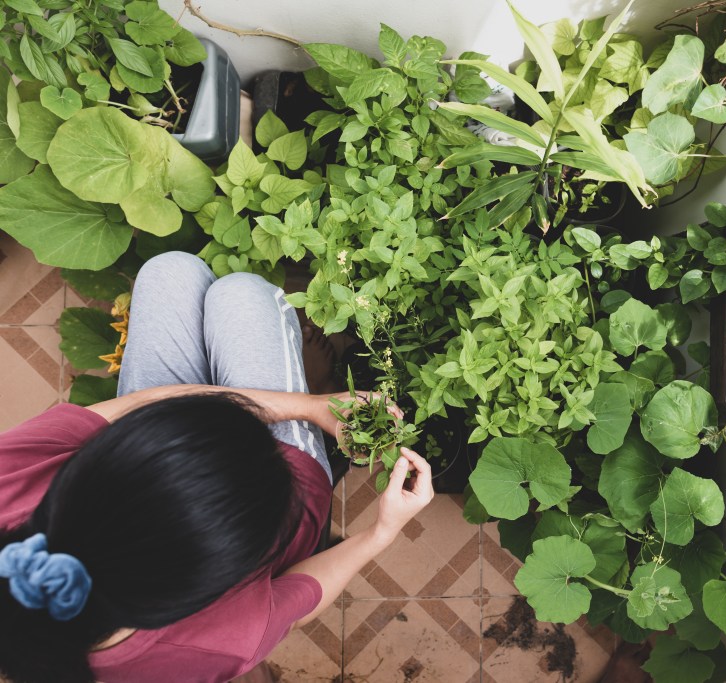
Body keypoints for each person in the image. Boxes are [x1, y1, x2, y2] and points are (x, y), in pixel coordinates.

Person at [0, 252, 434, 683]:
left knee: (169, 271)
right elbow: (294, 603)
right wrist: (382, 531)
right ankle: (318, 384)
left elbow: (130, 406)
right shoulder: (211, 645)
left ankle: (312, 390)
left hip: (163, 422)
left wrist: (309, 408)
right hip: (279, 492)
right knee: (241, 292)